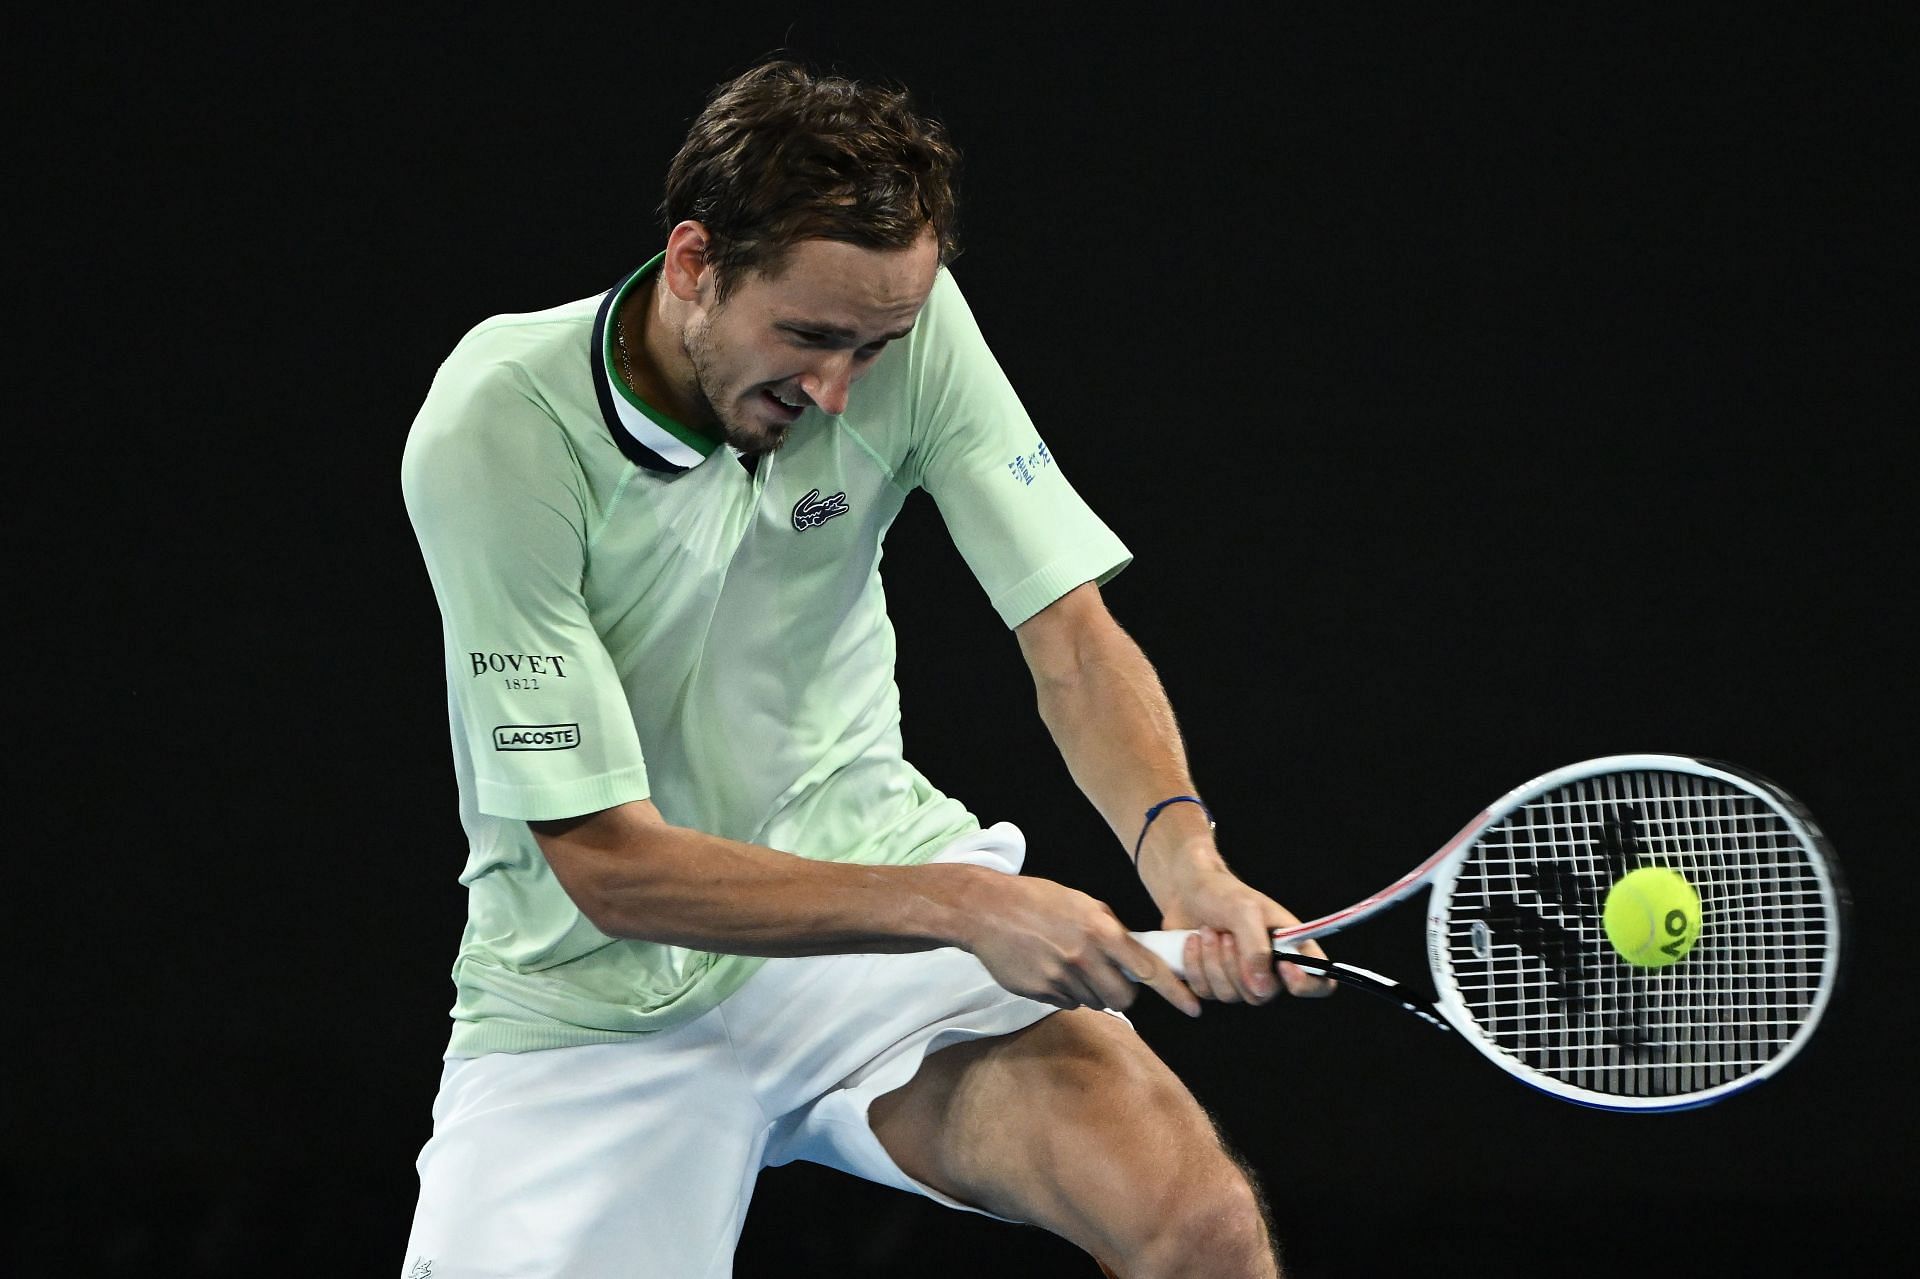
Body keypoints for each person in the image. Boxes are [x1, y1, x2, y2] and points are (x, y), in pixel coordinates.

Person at [399, 59, 1330, 1279]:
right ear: (694, 265)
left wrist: (1185, 859)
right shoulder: (501, 423)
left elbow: (1069, 632)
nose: (840, 386)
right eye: (810, 336)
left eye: (876, 344)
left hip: (871, 904)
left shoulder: (910, 327)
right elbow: (610, 870)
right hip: (593, 1003)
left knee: (1195, 1226)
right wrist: (967, 907)